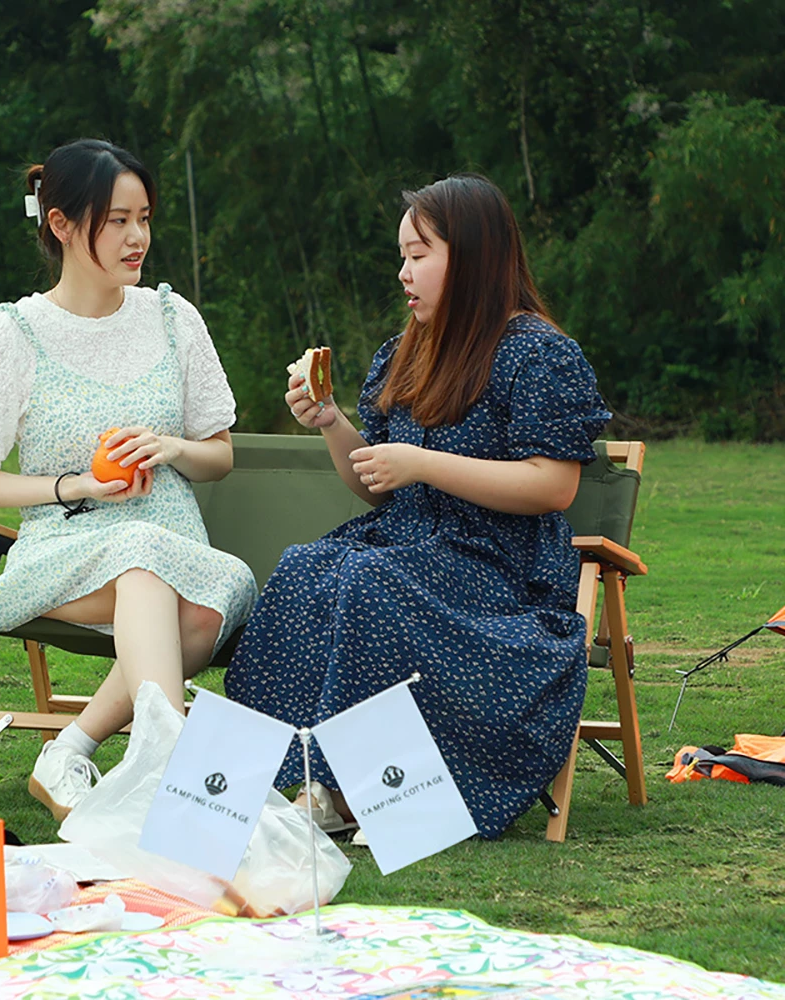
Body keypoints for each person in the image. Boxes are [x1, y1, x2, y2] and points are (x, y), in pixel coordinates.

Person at [224, 173, 611, 840]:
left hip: (495, 566)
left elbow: (553, 485)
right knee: (304, 569)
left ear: (473, 254)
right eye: (402, 256)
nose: (403, 272)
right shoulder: (408, 351)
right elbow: (375, 483)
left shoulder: (540, 354)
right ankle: (254, 783)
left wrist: (423, 464)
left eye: (418, 254)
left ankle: (363, 793)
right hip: (406, 543)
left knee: (369, 581)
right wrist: (328, 420)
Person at [0, 139, 257, 821]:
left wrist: (172, 446)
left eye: (144, 217)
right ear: (60, 224)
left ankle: (70, 752)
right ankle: (175, 778)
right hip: (66, 545)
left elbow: (220, 455)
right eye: (117, 220)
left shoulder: (174, 320)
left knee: (214, 590)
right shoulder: (11, 335)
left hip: (174, 541)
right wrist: (75, 485)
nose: (137, 237)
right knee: (142, 563)